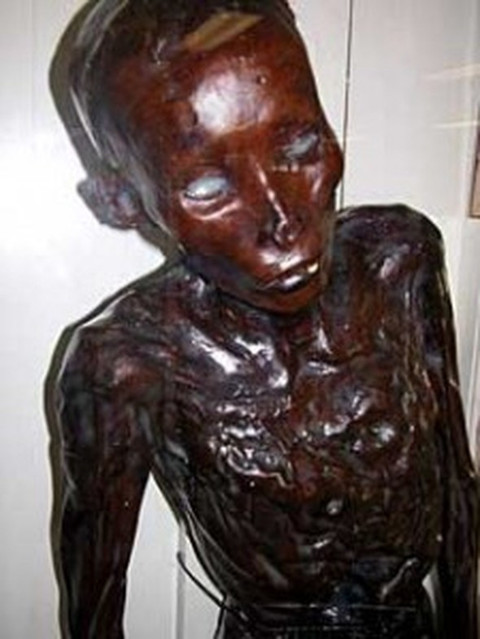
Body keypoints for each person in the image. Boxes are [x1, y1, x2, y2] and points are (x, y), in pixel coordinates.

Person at [50, 0, 479, 637]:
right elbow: (96, 598)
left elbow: (458, 488)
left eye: (300, 145)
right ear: (119, 201)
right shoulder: (129, 363)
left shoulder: (398, 259)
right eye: (208, 189)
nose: (283, 222)